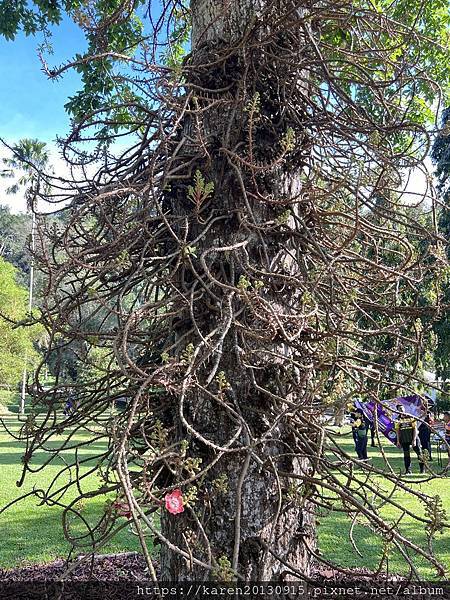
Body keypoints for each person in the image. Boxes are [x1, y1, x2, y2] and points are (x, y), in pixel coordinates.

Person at [394, 404, 423, 474]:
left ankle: (422, 470)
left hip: (413, 438)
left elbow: (415, 429)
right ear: (397, 411)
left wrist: (414, 440)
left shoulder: (410, 417)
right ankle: (408, 470)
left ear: (404, 408)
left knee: (419, 453)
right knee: (406, 455)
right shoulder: (397, 420)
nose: (401, 410)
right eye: (400, 409)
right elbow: (397, 431)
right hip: (404, 439)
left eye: (402, 408)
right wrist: (398, 441)